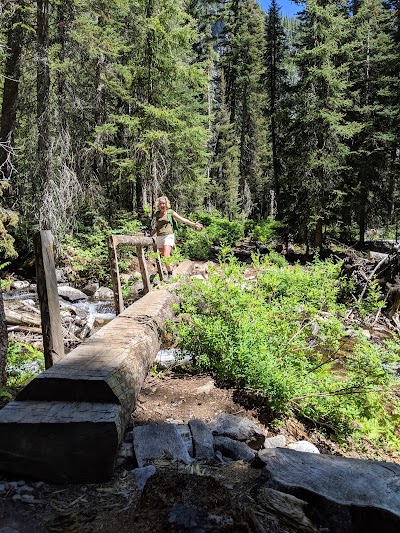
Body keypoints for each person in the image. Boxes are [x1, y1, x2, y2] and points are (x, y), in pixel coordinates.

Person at [150, 196, 204, 277]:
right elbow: (157, 226)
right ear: (158, 204)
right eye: (161, 203)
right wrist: (151, 234)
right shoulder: (157, 214)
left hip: (168, 236)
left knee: (166, 255)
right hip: (159, 236)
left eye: (164, 203)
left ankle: (170, 274)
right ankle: (169, 269)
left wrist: (194, 224)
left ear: (166, 204)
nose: (162, 205)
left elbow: (182, 220)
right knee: (163, 257)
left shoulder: (170, 212)